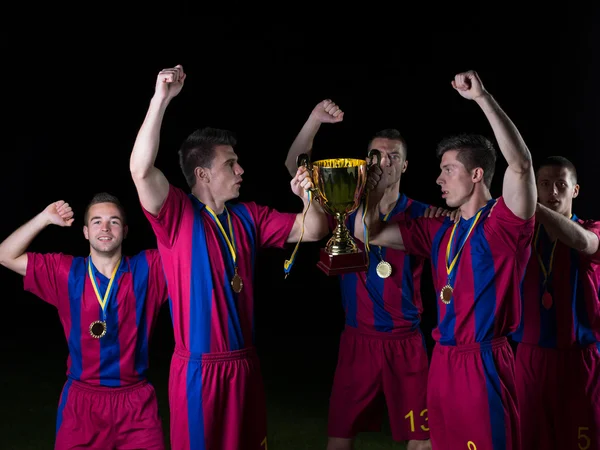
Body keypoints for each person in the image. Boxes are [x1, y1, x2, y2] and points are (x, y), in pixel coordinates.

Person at [129, 64, 329, 450]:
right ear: (202, 174)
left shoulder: (250, 215)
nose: (241, 169)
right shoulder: (177, 215)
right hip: (198, 370)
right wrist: (161, 99)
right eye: (230, 164)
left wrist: (308, 197)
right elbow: (140, 170)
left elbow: (316, 229)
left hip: (245, 364)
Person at [355, 70, 537, 450]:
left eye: (448, 170)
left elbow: (520, 166)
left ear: (476, 174)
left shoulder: (503, 224)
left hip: (484, 361)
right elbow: (365, 232)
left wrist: (483, 99)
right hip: (443, 360)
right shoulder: (440, 230)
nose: (439, 179)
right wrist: (372, 184)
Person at [285, 100, 433, 450]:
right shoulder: (344, 202)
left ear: (406, 165)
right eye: (378, 156)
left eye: (394, 156)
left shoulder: (424, 214)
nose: (385, 162)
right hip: (358, 339)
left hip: (406, 341)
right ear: (367, 163)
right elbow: (297, 167)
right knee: (339, 437)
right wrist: (313, 120)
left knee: (422, 439)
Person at [0, 193, 169, 450]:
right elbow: (4, 255)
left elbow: (191, 248)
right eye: (97, 221)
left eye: (113, 222)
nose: (104, 227)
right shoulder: (65, 272)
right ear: (85, 232)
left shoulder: (149, 268)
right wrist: (44, 219)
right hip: (82, 403)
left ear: (124, 231)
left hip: (137, 404)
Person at [511, 156, 600, 450]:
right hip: (529, 359)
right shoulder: (522, 236)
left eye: (561, 184)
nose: (553, 192)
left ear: (575, 190)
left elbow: (586, 243)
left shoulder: (591, 228)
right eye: (545, 184)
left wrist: (530, 205)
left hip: (578, 360)